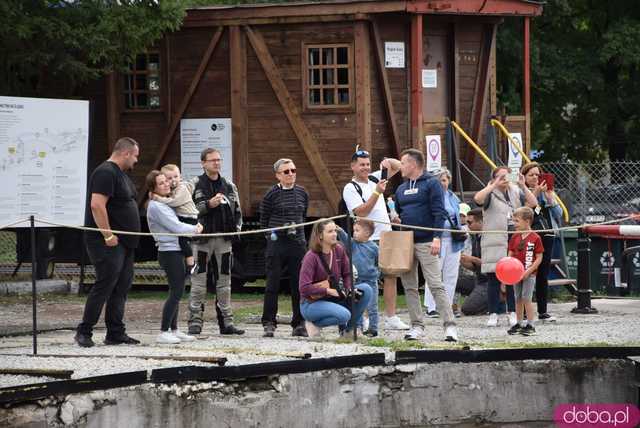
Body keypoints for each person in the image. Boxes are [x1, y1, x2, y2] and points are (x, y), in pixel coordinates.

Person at [75, 137, 141, 348]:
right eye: (136, 156)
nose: (136, 161)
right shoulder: (106, 172)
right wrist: (108, 235)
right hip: (107, 242)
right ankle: (84, 331)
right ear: (126, 153)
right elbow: (97, 205)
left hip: (125, 243)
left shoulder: (121, 174)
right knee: (105, 284)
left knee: (121, 286)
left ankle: (115, 332)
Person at [394, 149, 458, 342]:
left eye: (403, 163)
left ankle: (450, 326)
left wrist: (437, 237)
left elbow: (439, 212)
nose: (401, 167)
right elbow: (398, 210)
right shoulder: (400, 188)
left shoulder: (432, 183)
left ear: (413, 165)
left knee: (436, 284)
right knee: (409, 286)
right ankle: (417, 326)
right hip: (406, 242)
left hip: (427, 241)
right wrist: (396, 218)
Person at [342, 148, 409, 331]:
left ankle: (391, 316)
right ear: (353, 166)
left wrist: (387, 162)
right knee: (364, 279)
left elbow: (398, 166)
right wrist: (378, 192)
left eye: (368, 164)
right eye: (361, 164)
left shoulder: (373, 177)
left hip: (386, 234)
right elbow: (361, 211)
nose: (365, 167)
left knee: (390, 276)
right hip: (366, 239)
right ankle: (363, 317)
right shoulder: (350, 188)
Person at [188, 148, 244, 336]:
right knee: (198, 283)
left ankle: (227, 323)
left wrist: (236, 231)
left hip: (223, 241)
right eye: (212, 160)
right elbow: (188, 211)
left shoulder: (229, 185)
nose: (217, 163)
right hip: (202, 241)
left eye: (219, 160)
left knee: (224, 282)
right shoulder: (194, 184)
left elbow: (238, 211)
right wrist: (208, 205)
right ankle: (195, 323)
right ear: (203, 163)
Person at [473, 166, 537, 327]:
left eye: (506, 176)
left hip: (514, 239)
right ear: (494, 178)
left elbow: (533, 203)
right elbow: (477, 199)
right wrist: (493, 185)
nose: (504, 179)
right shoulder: (490, 192)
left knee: (512, 278)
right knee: (494, 278)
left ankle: (512, 312)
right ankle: (493, 313)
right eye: (500, 176)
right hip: (494, 241)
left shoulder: (515, 191)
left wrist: (523, 186)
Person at [146, 170, 203, 344]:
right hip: (168, 252)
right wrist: (195, 229)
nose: (166, 184)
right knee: (176, 292)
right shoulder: (156, 206)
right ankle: (164, 331)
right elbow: (176, 227)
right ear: (153, 188)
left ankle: (174, 329)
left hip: (176, 249)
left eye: (166, 181)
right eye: (161, 183)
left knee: (178, 291)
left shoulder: (166, 203)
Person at [260, 158, 309, 338]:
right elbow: (263, 220)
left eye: (293, 170)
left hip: (297, 243)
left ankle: (299, 323)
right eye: (286, 171)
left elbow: (303, 215)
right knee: (272, 283)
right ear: (278, 175)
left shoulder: (302, 193)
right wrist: (271, 237)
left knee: (298, 284)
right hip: (277, 242)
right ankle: (269, 322)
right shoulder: (271, 194)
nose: (291, 174)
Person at [299, 219, 373, 338]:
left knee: (366, 289)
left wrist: (349, 288)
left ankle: (348, 331)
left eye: (334, 230)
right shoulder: (311, 257)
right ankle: (313, 323)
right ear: (320, 236)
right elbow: (303, 288)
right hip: (311, 303)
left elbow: (347, 273)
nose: (334, 234)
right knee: (344, 315)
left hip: (335, 297)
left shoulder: (338, 249)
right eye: (330, 231)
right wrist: (328, 291)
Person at [521, 162, 563, 322]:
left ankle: (543, 311)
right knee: (528, 272)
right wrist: (536, 193)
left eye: (538, 175)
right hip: (531, 237)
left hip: (548, 235)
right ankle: (524, 311)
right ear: (524, 177)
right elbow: (527, 212)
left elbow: (558, 214)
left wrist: (550, 198)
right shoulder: (522, 192)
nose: (535, 178)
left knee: (543, 275)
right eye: (531, 175)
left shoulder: (546, 192)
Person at [423, 167, 465, 319]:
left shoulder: (453, 197)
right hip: (436, 239)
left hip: (453, 240)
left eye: (444, 180)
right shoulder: (429, 197)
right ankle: (431, 307)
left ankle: (446, 306)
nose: (442, 183)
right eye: (439, 180)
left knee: (451, 275)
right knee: (434, 273)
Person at [153, 164, 199, 275]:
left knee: (182, 241)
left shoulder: (182, 188)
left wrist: (158, 198)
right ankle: (186, 262)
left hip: (189, 217)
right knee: (180, 241)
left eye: (175, 176)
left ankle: (191, 264)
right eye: (169, 178)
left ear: (180, 177)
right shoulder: (172, 190)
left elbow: (174, 202)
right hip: (183, 217)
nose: (173, 180)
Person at [337, 219, 379, 337]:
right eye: (353, 230)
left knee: (372, 306)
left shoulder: (374, 248)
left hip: (371, 281)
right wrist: (340, 231)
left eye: (357, 230)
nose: (354, 233)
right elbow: (345, 238)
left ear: (367, 233)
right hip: (357, 281)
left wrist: (377, 273)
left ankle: (373, 328)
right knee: (357, 305)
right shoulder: (353, 244)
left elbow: (378, 262)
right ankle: (358, 327)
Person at [507, 207, 544, 336]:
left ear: (527, 221)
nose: (514, 224)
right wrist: (509, 268)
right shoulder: (515, 237)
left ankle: (530, 324)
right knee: (517, 298)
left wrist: (529, 271)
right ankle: (519, 323)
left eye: (517, 221)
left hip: (529, 274)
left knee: (526, 298)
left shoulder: (535, 238)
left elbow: (539, 257)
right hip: (516, 274)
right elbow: (510, 253)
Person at [458, 208, 489, 315]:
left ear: (480, 222)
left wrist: (471, 259)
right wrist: (461, 260)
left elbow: (492, 264)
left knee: (467, 309)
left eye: (469, 222)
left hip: (489, 281)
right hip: (478, 279)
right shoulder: (476, 237)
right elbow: (474, 266)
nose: (467, 225)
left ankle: (498, 302)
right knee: (455, 282)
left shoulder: (490, 238)